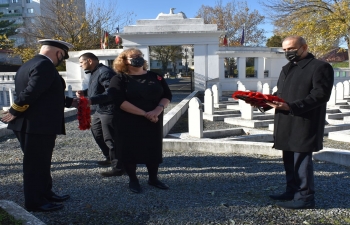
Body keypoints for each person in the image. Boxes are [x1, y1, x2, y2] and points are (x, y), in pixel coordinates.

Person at [1, 39, 76, 212]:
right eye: (62, 57)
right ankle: (35, 202)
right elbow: (31, 92)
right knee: (35, 165)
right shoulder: (45, 66)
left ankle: (46, 192)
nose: (61, 60)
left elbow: (46, 94)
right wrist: (14, 110)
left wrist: (71, 101)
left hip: (32, 124)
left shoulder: (30, 63)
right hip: (37, 125)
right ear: (58, 53)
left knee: (41, 162)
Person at [263, 36, 334, 209]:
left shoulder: (320, 67)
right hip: (285, 121)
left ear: (304, 47)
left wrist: (292, 106)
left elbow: (320, 95)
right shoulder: (286, 68)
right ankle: (292, 190)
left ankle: (305, 198)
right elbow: (281, 92)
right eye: (285, 50)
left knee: (301, 161)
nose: (288, 53)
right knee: (288, 159)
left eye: (291, 49)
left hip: (304, 121)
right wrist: (262, 102)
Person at [106, 48, 172, 193]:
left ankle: (153, 178)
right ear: (124, 60)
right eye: (133, 57)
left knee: (153, 149)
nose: (138, 58)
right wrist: (144, 113)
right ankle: (133, 180)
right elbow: (119, 101)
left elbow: (167, 95)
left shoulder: (156, 77)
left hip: (153, 119)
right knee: (130, 150)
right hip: (129, 121)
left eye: (140, 56)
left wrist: (157, 110)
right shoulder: (119, 79)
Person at [77, 53, 124, 177]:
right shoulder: (95, 72)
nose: (80, 65)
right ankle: (109, 157)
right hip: (100, 109)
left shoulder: (105, 72)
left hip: (109, 110)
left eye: (81, 62)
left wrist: (91, 100)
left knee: (110, 139)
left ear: (89, 61)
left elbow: (111, 92)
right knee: (97, 133)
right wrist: (85, 92)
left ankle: (118, 167)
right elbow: (98, 89)